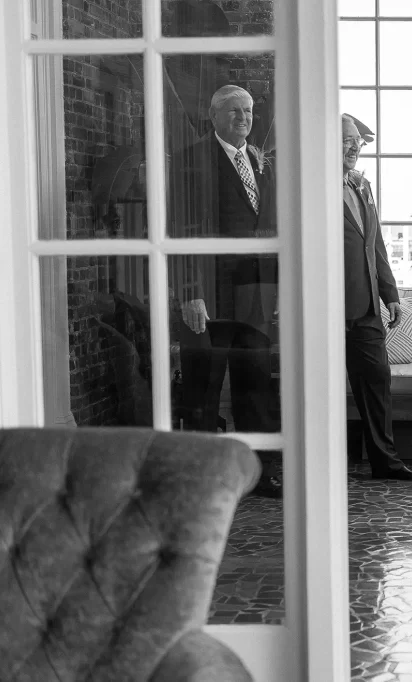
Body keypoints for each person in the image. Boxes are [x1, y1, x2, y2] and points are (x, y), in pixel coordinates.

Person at [170, 84, 281, 497]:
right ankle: (200, 480)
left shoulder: (256, 158)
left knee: (256, 386)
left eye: (248, 111)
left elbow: (265, 227)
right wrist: (189, 291)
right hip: (209, 295)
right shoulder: (191, 160)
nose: (243, 118)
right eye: (233, 111)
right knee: (204, 387)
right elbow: (180, 228)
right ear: (213, 117)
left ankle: (257, 472)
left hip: (255, 293)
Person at [342, 113, 412, 481]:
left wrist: (390, 293)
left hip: (366, 305)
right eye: (346, 139)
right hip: (324, 305)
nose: (354, 147)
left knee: (378, 380)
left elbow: (374, 244)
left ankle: (385, 462)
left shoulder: (362, 185)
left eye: (357, 142)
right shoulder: (308, 183)